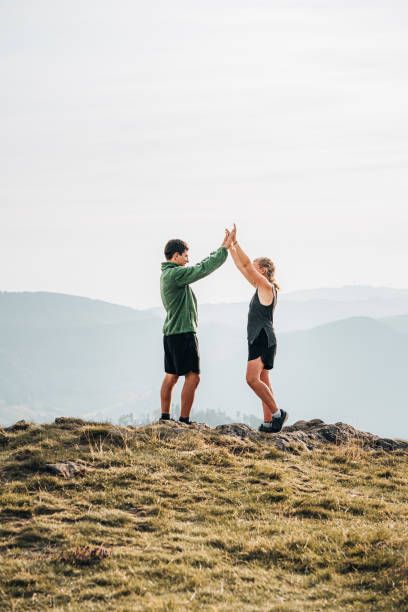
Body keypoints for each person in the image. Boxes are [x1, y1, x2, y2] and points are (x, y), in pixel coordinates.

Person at [160, 232, 233, 424]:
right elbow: (202, 269)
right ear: (175, 256)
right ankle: (184, 421)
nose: (188, 259)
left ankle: (165, 418)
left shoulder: (167, 274)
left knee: (172, 375)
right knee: (193, 377)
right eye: (185, 255)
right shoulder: (175, 274)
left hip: (171, 333)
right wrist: (223, 249)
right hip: (183, 333)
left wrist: (221, 248)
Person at [228, 224, 288, 433]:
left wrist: (235, 243)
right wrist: (230, 249)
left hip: (262, 337)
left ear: (262, 271)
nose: (251, 268)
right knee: (263, 380)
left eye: (255, 266)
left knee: (251, 379)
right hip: (261, 337)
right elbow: (242, 267)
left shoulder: (265, 286)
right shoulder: (260, 286)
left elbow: (245, 265)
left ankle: (278, 415)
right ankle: (269, 421)